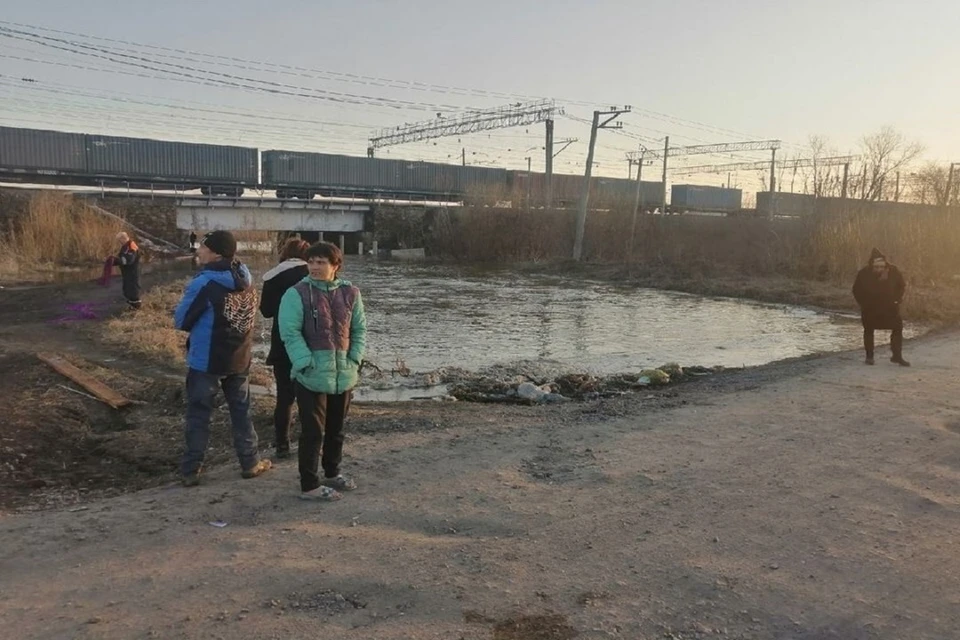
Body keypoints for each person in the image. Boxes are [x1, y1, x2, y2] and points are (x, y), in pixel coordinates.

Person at [174, 230, 272, 486]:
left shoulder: (204, 283)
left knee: (199, 414)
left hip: (206, 361)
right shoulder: (246, 276)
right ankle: (250, 463)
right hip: (239, 357)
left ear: (215, 252)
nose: (198, 251)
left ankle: (191, 470)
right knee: (241, 412)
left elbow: (181, 321)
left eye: (202, 247)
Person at [279, 241, 366, 501]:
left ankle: (332, 472)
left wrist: (355, 359)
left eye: (321, 262)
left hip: (344, 374)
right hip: (311, 375)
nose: (315, 267)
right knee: (312, 432)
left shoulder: (351, 293)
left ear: (335, 266)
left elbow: (359, 329)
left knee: (336, 428)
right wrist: (305, 362)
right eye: (312, 261)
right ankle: (309, 484)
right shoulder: (296, 293)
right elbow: (290, 332)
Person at [259, 238, 310, 459]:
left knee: (284, 397)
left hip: (282, 342)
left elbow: (267, 311)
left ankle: (282, 444)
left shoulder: (272, 276)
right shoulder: (313, 273)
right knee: (312, 395)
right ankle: (311, 439)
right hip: (310, 341)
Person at [853, 248, 909, 367]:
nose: (879, 269)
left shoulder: (893, 271)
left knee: (898, 328)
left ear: (885, 264)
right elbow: (856, 290)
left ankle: (897, 356)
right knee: (868, 331)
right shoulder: (864, 273)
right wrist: (863, 303)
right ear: (872, 265)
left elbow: (901, 286)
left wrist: (897, 299)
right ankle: (869, 357)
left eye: (881, 267)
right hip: (870, 309)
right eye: (876, 267)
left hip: (890, 308)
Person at [114, 232, 142, 309]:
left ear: (123, 238)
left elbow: (129, 260)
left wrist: (118, 261)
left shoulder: (131, 246)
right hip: (127, 272)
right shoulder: (125, 246)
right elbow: (123, 258)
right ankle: (131, 305)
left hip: (132, 272)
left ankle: (136, 307)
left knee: (133, 289)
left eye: (119, 240)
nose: (119, 242)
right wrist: (114, 261)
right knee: (127, 288)